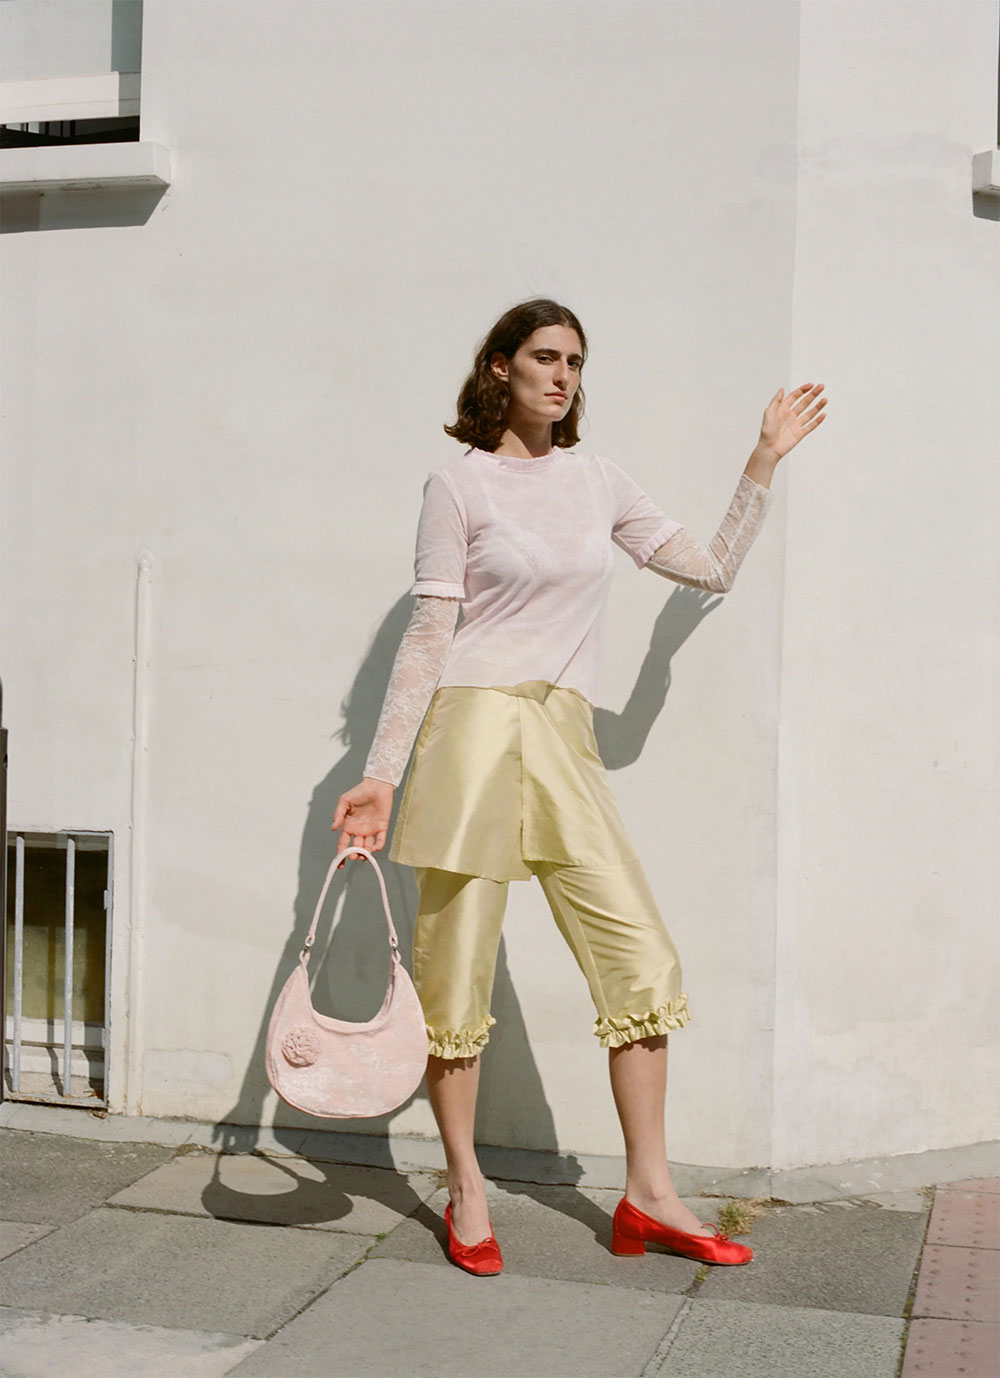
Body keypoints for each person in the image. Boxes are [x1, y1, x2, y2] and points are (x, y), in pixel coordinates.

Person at [331, 298, 827, 1275]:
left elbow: (709, 569)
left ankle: (649, 1194)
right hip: (471, 736)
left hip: (563, 735)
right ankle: (467, 1188)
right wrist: (380, 774)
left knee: (640, 961)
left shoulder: (598, 481)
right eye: (545, 357)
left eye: (574, 362)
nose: (561, 376)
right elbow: (430, 634)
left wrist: (762, 459)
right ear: (500, 368)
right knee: (455, 976)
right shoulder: (457, 485)